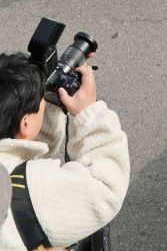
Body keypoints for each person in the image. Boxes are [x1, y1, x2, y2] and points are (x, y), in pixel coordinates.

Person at [0, 53, 129, 250]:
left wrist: (51, 103)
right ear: (25, 124)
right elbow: (106, 187)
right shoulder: (32, 190)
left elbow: (23, 146)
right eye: (41, 102)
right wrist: (89, 113)